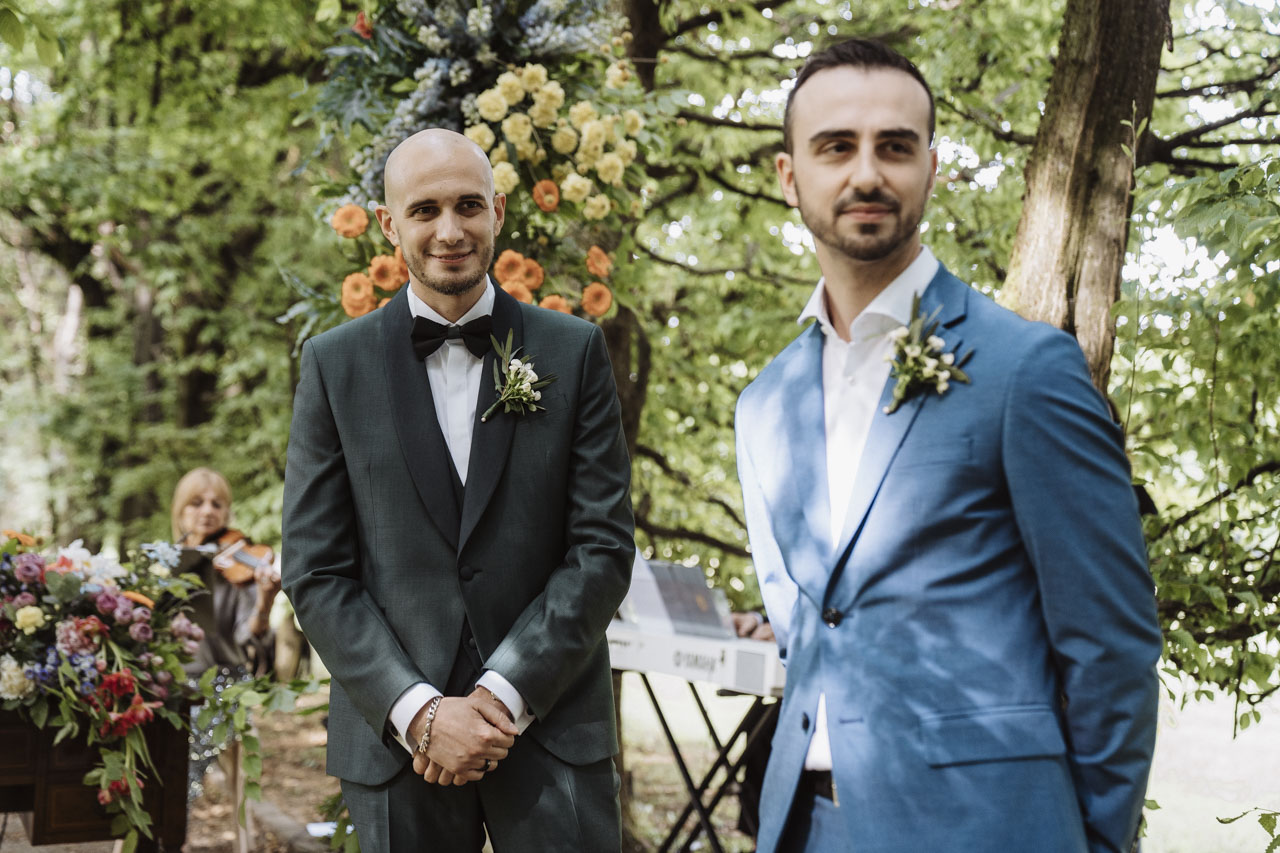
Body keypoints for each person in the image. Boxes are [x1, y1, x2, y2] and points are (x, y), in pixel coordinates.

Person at [734, 38, 1162, 853]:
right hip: (802, 826)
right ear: (790, 176)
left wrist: (1098, 843)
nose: (867, 174)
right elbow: (807, 623)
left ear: (931, 170)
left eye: (895, 147)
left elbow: (1111, 643)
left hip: (986, 827)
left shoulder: (1025, 370)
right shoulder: (763, 405)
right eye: (836, 147)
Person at [281, 128, 635, 852]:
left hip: (551, 725)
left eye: (468, 205)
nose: (450, 231)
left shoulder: (574, 350)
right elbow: (316, 571)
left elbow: (601, 549)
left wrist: (502, 694)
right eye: (425, 210)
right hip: (399, 744)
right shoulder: (332, 366)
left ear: (497, 212)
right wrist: (419, 712)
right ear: (389, 225)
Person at [170, 466, 281, 853]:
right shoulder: (167, 562)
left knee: (181, 768)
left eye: (217, 504)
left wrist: (265, 601)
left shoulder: (239, 568)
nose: (207, 511)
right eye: (196, 503)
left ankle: (174, 829)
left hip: (223, 685)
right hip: (174, 685)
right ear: (180, 510)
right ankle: (166, 833)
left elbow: (249, 635)